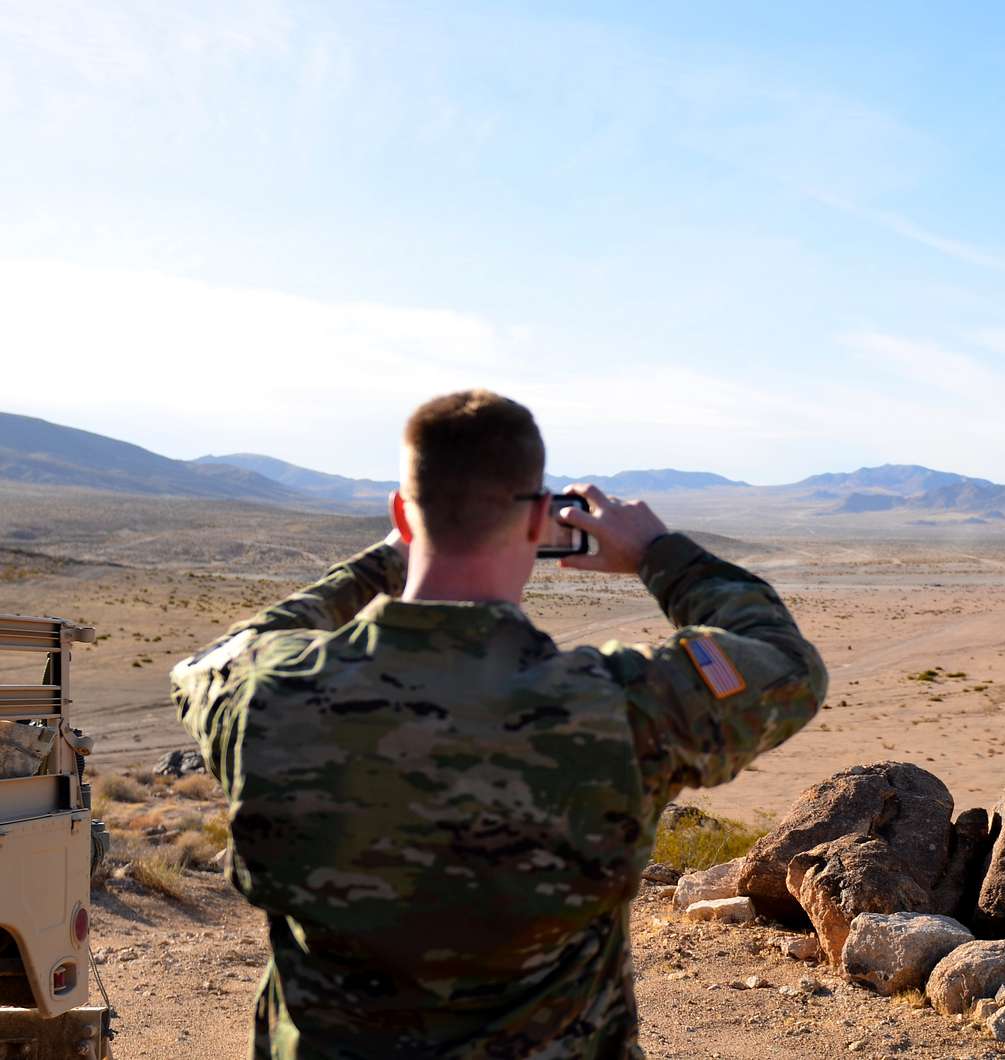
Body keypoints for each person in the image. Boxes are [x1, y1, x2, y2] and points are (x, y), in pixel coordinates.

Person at [170, 389, 826, 1059]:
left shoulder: (268, 697)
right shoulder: (615, 707)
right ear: (540, 519)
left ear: (402, 511)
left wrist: (383, 560)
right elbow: (784, 664)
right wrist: (660, 553)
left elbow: (214, 659)